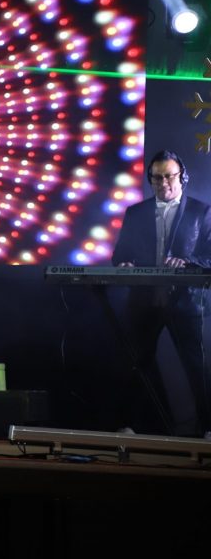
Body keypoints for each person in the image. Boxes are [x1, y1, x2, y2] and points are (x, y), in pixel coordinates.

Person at [111, 149, 211, 436]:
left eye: (169, 176)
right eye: (156, 178)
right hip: (144, 301)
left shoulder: (201, 212)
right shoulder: (136, 213)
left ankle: (209, 428)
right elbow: (119, 255)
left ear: (182, 177)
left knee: (196, 367)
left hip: (185, 303)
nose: (163, 183)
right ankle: (127, 427)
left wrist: (187, 262)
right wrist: (125, 264)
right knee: (136, 364)